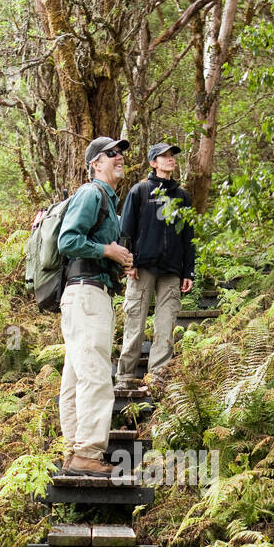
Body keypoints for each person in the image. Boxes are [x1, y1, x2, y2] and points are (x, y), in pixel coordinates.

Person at [56, 136, 133, 476]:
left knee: (75, 379)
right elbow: (68, 240)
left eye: (121, 153)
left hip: (86, 295)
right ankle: (87, 453)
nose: (119, 157)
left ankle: (75, 451)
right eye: (111, 153)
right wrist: (108, 252)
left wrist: (119, 260)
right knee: (98, 376)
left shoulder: (107, 202)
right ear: (95, 164)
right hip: (87, 296)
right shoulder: (92, 193)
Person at [116, 142, 195, 388]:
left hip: (172, 269)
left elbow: (188, 238)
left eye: (172, 156)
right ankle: (126, 376)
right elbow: (124, 231)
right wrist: (128, 262)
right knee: (135, 322)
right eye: (165, 156)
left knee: (166, 325)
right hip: (141, 267)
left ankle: (157, 377)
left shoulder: (182, 196)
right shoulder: (139, 191)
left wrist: (188, 270)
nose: (171, 159)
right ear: (153, 163)